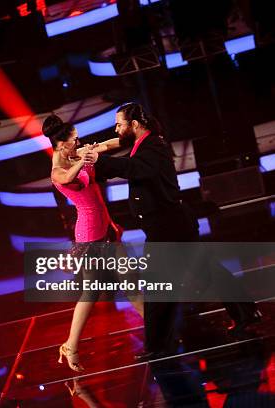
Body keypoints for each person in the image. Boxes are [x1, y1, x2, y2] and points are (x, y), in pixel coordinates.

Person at [84, 102, 261, 360]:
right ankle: (246, 311)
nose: (117, 129)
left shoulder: (153, 145)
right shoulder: (140, 146)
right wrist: (94, 156)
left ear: (135, 124)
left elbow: (134, 169)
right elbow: (121, 159)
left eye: (120, 124)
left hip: (169, 227)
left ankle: (156, 345)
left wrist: (100, 159)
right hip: (168, 226)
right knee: (205, 271)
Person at [42, 114, 143, 372]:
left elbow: (108, 146)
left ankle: (156, 330)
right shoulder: (58, 169)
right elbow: (65, 179)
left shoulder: (77, 154)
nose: (78, 143)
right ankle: (70, 345)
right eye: (74, 140)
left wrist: (132, 136)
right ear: (62, 144)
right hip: (89, 236)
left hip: (105, 228)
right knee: (91, 291)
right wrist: (83, 160)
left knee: (129, 280)